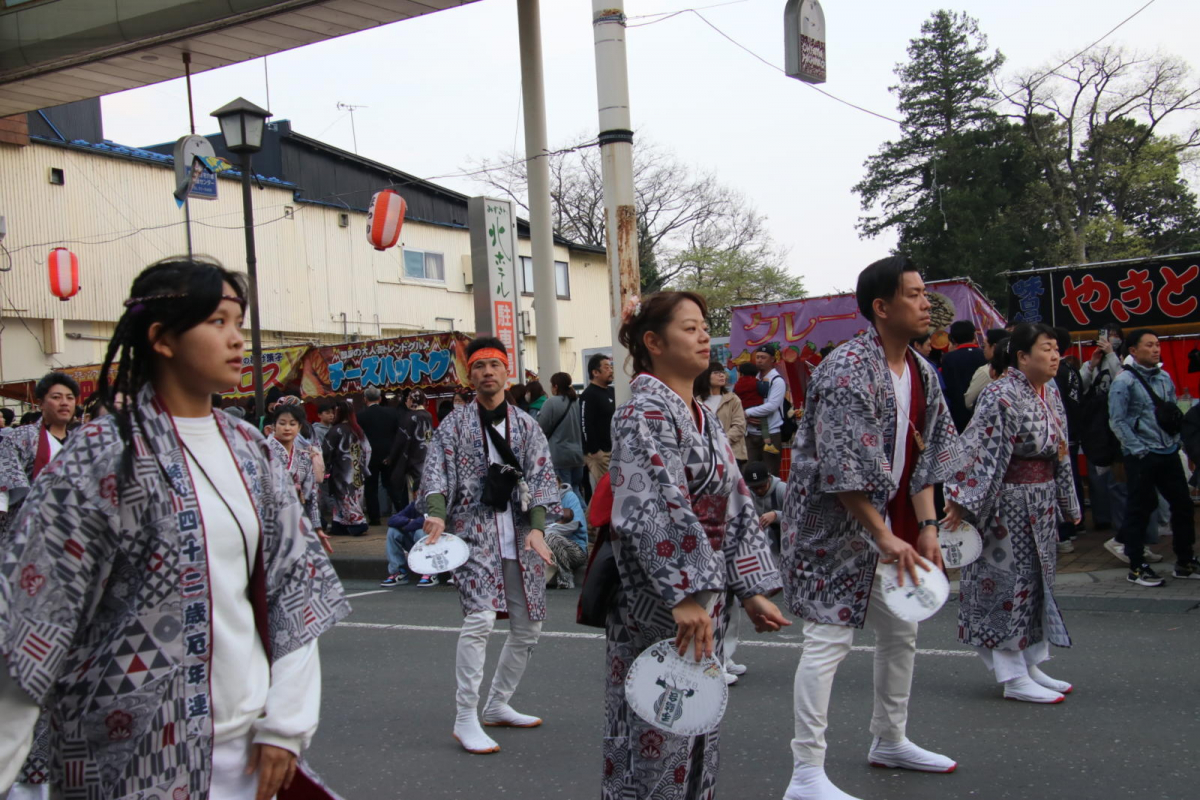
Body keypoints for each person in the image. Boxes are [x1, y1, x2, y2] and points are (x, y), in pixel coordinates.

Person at [0, 256, 349, 800]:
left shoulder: (252, 451)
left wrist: (287, 721)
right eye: (217, 322)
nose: (237, 340)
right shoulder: (100, 456)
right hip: (126, 763)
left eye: (238, 322)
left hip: (249, 750)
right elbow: (31, 624)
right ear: (161, 338)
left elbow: (294, 589)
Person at [780, 256, 963, 800]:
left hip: (884, 525)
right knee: (827, 642)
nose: (926, 302)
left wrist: (927, 524)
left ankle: (890, 739)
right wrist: (883, 534)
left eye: (926, 292)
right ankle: (806, 772)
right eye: (913, 294)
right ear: (881, 308)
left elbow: (926, 459)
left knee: (901, 631)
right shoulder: (846, 371)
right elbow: (840, 470)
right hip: (830, 532)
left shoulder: (921, 371)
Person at [605, 291, 788, 800]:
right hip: (662, 599)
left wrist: (749, 588)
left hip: (703, 594)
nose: (705, 336)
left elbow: (735, 504)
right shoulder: (641, 412)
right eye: (689, 328)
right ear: (653, 342)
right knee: (655, 728)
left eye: (705, 326)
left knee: (697, 719)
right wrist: (684, 595)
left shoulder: (703, 415)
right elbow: (648, 510)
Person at [418, 336, 560, 755]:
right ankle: (466, 717)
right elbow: (436, 472)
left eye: (494, 365)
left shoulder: (527, 425)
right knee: (479, 620)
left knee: (528, 625)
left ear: (507, 371)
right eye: (478, 366)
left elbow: (540, 478)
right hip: (472, 531)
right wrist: (438, 513)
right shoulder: (455, 424)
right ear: (470, 375)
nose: (487, 373)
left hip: (519, 532)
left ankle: (497, 704)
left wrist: (537, 528)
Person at [944, 323, 1082, 703]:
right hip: (1005, 506)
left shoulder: (1049, 392)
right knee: (1008, 585)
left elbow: (1062, 449)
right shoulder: (1000, 394)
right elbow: (976, 451)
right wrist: (962, 501)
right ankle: (1011, 674)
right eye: (1047, 349)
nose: (1055, 356)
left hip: (1041, 500)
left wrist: (1068, 501)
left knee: (1038, 583)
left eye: (1057, 349)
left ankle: (1031, 662)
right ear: (1022, 356)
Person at [0, 372, 78, 798]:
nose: (64, 403)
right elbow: (11, 497)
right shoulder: (17, 442)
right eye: (56, 396)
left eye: (69, 397)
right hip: (30, 570)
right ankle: (29, 784)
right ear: (40, 400)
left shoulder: (87, 444)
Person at [1107, 329, 1200, 586]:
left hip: (1168, 451)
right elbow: (1117, 421)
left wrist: (1176, 442)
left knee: (1182, 505)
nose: (1156, 349)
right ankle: (1136, 566)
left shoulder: (1165, 377)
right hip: (1141, 455)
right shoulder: (1123, 381)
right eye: (1149, 345)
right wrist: (1138, 449)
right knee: (1140, 508)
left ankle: (1184, 560)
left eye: (1157, 344)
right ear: (1133, 351)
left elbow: (1171, 412)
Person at [269, 403, 332, 556]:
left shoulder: (304, 457)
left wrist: (317, 527)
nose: (287, 428)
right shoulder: (264, 453)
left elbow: (311, 495)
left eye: (292, 424)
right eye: (282, 423)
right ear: (274, 426)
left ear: (299, 427)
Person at [1052, 327, 1085, 554]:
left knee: (1063, 477)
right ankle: (1077, 522)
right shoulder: (1072, 370)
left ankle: (1066, 529)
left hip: (1061, 434)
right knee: (1071, 476)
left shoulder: (1054, 374)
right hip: (1072, 430)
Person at [323, 399, 372, 536]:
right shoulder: (357, 429)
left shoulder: (335, 430)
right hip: (357, 470)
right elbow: (368, 449)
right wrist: (364, 467)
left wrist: (324, 469)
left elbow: (326, 451)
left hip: (342, 471)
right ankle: (339, 525)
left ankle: (359, 524)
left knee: (346, 499)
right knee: (350, 499)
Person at [538, 372, 587, 498]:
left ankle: (578, 516)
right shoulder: (577, 402)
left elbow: (540, 428)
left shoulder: (551, 403)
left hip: (560, 455)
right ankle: (582, 515)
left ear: (555, 386)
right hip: (578, 454)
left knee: (565, 492)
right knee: (575, 489)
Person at [358, 386, 401, 525]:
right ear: (380, 398)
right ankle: (401, 512)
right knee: (392, 485)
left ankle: (374, 518)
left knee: (371, 487)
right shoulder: (392, 413)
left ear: (365, 399)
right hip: (389, 455)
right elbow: (398, 435)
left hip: (369, 456)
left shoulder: (360, 416)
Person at [385, 388, 434, 510]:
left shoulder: (410, 417)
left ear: (412, 400)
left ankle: (416, 517)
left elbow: (401, 440)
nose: (406, 401)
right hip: (427, 458)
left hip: (412, 459)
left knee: (412, 492)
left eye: (407, 398)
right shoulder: (428, 415)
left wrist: (391, 457)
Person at [745, 344, 787, 474]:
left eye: (763, 357)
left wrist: (747, 413)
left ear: (772, 360)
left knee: (770, 473)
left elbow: (772, 406)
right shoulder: (752, 379)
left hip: (771, 432)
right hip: (751, 433)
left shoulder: (777, 381)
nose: (759, 360)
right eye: (757, 357)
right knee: (748, 472)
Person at [695, 361, 748, 465]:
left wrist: (721, 441)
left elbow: (739, 426)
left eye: (722, 372)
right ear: (705, 375)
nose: (721, 375)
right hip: (707, 456)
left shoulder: (732, 399)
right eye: (716, 372)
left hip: (732, 453)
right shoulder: (697, 401)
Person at [940, 319, 988, 433]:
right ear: (974, 335)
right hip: (982, 412)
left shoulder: (948, 358)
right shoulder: (984, 355)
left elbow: (947, 386)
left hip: (957, 414)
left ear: (953, 338)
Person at [543, 482, 587, 589]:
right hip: (546, 549)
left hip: (574, 549)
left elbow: (574, 525)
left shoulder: (569, 497)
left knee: (550, 537)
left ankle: (565, 578)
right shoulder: (539, 501)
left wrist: (545, 530)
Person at [581, 353, 615, 490]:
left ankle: (590, 513)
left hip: (613, 450)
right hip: (600, 454)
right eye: (606, 367)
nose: (611, 370)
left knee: (605, 495)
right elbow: (585, 424)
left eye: (611, 367)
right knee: (606, 492)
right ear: (595, 372)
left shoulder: (612, 391)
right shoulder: (588, 395)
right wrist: (594, 451)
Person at [381, 501, 426, 587]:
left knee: (420, 532)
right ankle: (399, 572)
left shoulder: (440, 504)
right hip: (415, 545)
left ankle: (430, 572)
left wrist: (408, 525)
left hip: (437, 548)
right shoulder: (415, 505)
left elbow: (426, 521)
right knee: (393, 530)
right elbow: (392, 520)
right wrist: (409, 521)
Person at [964, 329, 1009, 410]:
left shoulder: (985, 371)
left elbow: (969, 402)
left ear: (994, 347)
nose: (983, 350)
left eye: (984, 346)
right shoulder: (1017, 369)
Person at [733, 360, 770, 445]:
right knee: (764, 424)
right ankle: (767, 442)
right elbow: (764, 392)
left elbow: (735, 395)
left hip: (744, 408)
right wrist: (766, 382)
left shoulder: (738, 384)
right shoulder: (756, 382)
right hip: (757, 407)